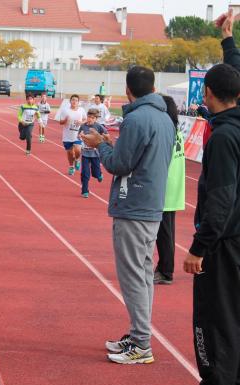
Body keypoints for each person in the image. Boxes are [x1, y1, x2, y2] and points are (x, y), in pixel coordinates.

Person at [81, 66, 174, 365]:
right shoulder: (165, 117)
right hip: (151, 204)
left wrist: (100, 147)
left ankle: (142, 343)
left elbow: (120, 165)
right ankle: (138, 335)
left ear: (128, 89)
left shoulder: (135, 118)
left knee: (133, 275)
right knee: (144, 273)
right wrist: (110, 143)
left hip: (133, 204)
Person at [183, 63, 240, 385]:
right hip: (235, 241)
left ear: (207, 94)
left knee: (213, 327)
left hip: (222, 247)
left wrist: (199, 247)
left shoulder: (222, 137)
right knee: (233, 323)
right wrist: (228, 41)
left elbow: (221, 198)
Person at [153, 95, 185, 285]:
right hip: (174, 186)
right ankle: (164, 267)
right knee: (167, 231)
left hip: (165, 185)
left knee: (163, 233)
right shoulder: (176, 129)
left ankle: (166, 271)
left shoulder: (166, 130)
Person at [78, 108, 105, 198]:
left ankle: (99, 174)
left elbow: (106, 135)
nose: (90, 119)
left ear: (96, 119)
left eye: (92, 118)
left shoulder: (98, 126)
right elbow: (79, 135)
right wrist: (80, 136)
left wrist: (100, 139)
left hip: (95, 154)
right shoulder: (83, 126)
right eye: (89, 117)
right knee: (85, 173)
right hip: (85, 153)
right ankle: (84, 191)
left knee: (95, 173)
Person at [58, 94, 85, 175]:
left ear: (78, 102)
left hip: (77, 135)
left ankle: (77, 159)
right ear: (70, 101)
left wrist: (81, 122)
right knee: (70, 153)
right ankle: (71, 166)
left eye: (76, 100)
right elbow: (60, 122)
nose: (74, 102)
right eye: (73, 100)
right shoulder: (65, 110)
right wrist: (65, 120)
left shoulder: (81, 110)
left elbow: (85, 119)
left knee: (77, 150)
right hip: (67, 136)